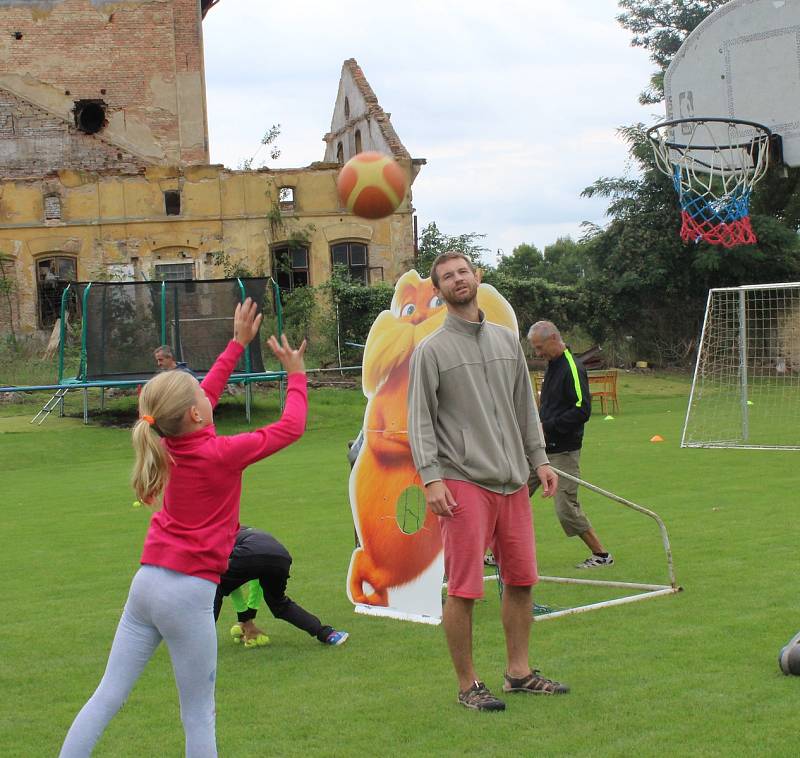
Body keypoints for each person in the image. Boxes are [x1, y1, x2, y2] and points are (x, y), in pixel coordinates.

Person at [60, 298, 308, 758]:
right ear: (195, 413)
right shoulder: (220, 453)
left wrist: (236, 345)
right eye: (200, 396)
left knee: (107, 696)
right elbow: (292, 427)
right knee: (198, 713)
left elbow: (203, 394)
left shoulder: (168, 442)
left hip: (147, 583)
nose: (207, 396)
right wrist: (296, 373)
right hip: (187, 593)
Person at [407, 251, 568, 713]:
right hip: (462, 481)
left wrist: (539, 460)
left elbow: (524, 409)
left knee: (521, 580)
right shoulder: (431, 351)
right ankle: (467, 685)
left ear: (476, 278)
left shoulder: (506, 340)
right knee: (464, 588)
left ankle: (519, 673)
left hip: (513, 481)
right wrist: (432, 479)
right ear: (438, 292)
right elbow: (419, 421)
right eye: (447, 277)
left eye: (463, 272)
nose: (458, 280)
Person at [527, 320, 614, 569]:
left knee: (566, 508)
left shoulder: (573, 368)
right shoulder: (552, 365)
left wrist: (547, 426)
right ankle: (497, 553)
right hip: (539, 451)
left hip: (563, 450)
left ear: (554, 338)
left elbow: (582, 409)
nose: (538, 353)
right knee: (513, 494)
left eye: (540, 347)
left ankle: (601, 555)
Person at [216, 526, 349, 647]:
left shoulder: (219, 537)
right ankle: (327, 634)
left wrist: (245, 619)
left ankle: (198, 641)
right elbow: (256, 578)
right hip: (281, 557)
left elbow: (229, 584)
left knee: (214, 588)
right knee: (280, 604)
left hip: (250, 556)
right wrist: (248, 618)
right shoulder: (245, 532)